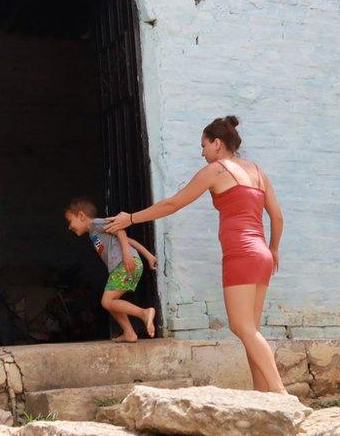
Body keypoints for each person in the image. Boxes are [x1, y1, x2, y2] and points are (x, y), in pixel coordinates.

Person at [104, 116, 287, 393]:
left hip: (240, 254)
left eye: (203, 145)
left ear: (217, 144)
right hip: (261, 255)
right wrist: (272, 249)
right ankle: (264, 395)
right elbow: (277, 215)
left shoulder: (217, 170)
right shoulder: (258, 171)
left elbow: (173, 203)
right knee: (252, 331)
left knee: (241, 328)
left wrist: (130, 218)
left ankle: (280, 392)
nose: (201, 152)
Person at [65, 197, 158, 342]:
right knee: (112, 302)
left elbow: (120, 231)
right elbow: (130, 241)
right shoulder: (93, 233)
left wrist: (127, 255)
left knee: (107, 302)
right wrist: (148, 255)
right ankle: (129, 333)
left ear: (81, 216)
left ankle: (144, 313)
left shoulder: (96, 223)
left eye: (70, 221)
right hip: (125, 264)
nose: (69, 227)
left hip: (125, 264)